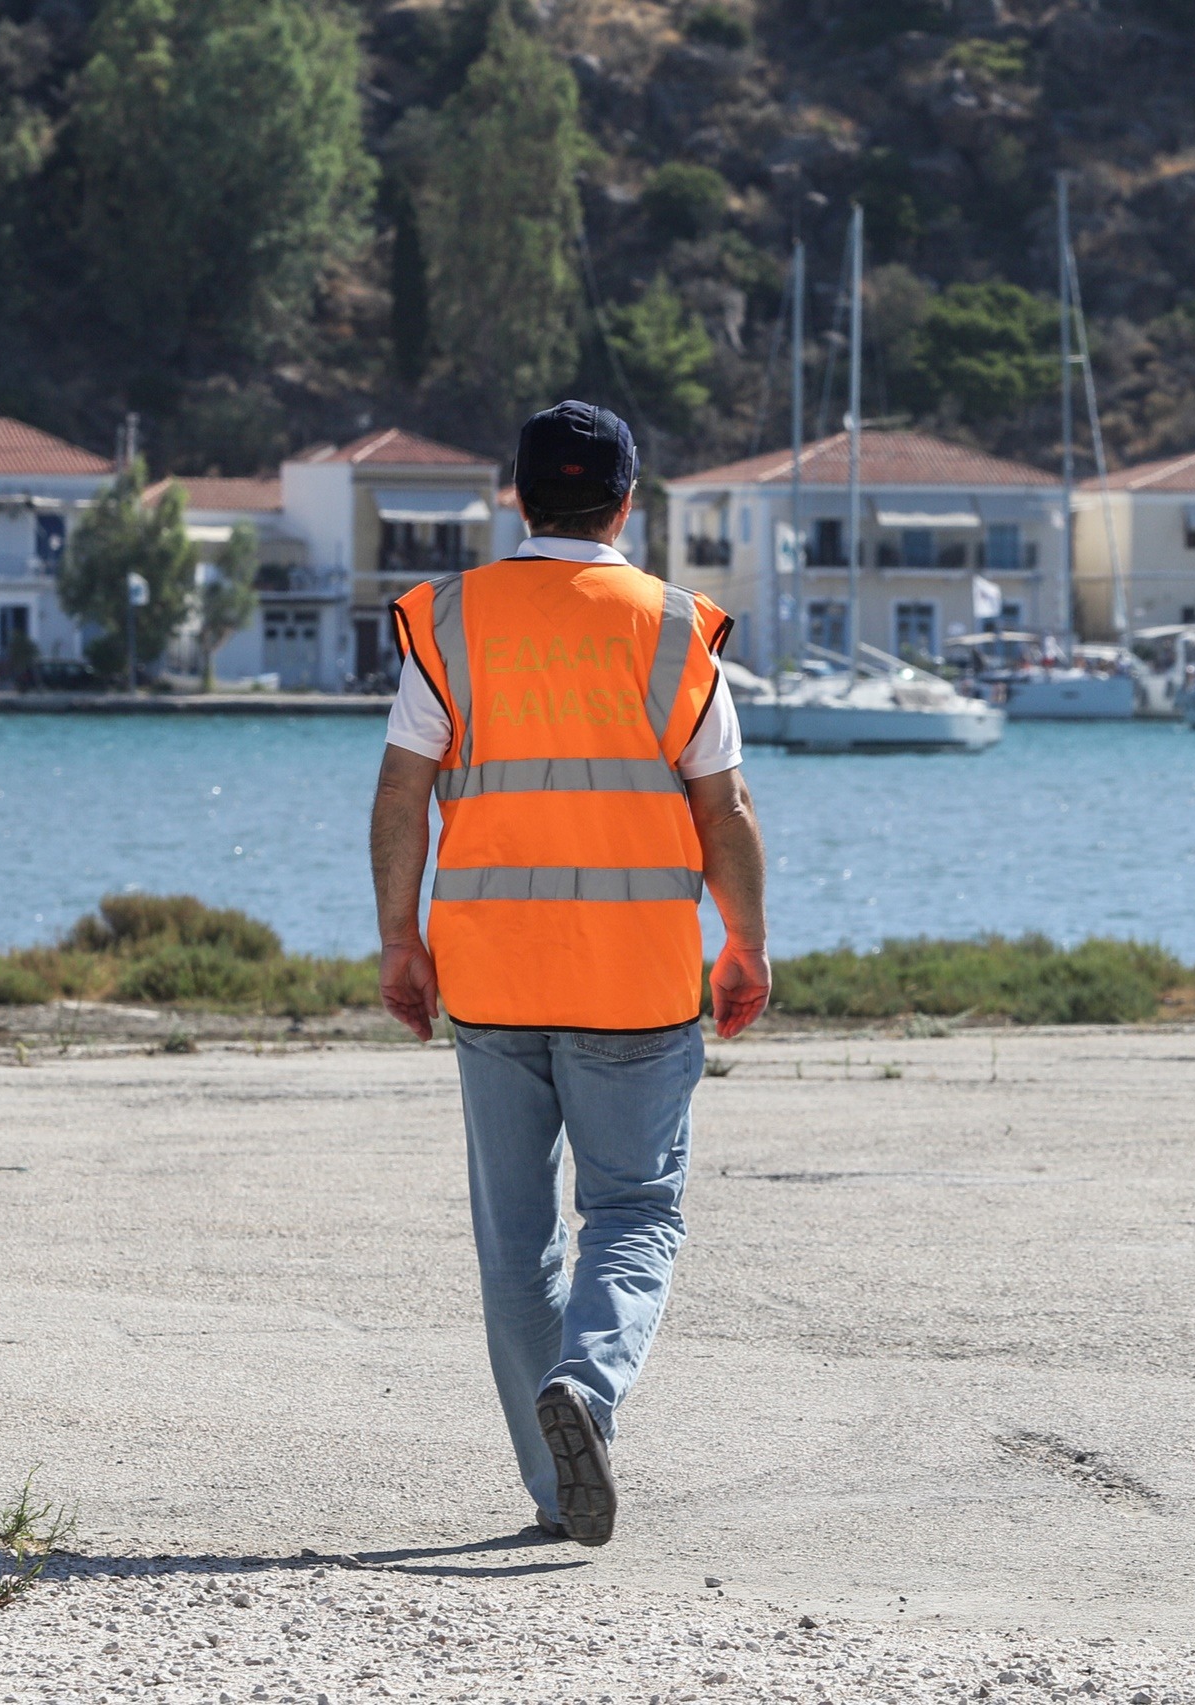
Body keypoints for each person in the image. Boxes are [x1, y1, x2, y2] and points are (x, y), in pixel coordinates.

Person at [367, 400, 773, 1546]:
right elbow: (723, 804)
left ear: (516, 495)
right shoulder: (671, 628)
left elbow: (403, 792)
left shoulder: (449, 619)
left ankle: (555, 1495)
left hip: (490, 975)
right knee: (634, 1212)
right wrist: (744, 940)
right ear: (627, 502)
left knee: (514, 1243)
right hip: (634, 981)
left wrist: (401, 940)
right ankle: (586, 1390)